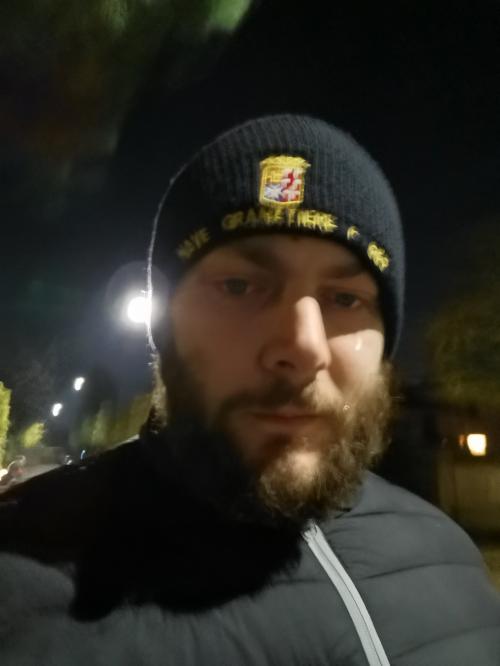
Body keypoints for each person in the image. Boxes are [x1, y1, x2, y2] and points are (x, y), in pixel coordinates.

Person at [1, 115, 499, 665]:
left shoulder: (451, 559)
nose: (304, 346)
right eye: (239, 286)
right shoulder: (18, 588)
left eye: (345, 299)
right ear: (165, 326)